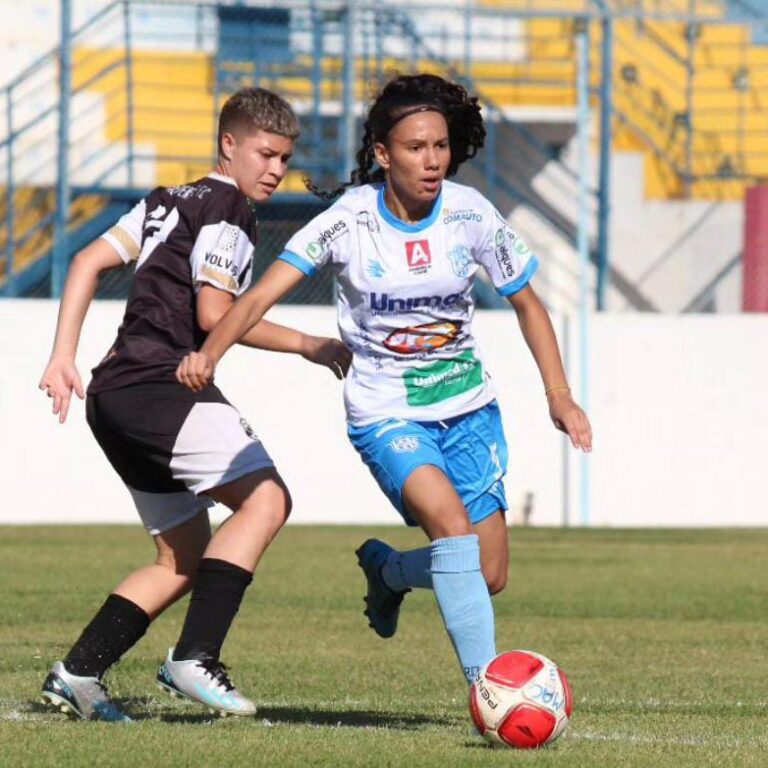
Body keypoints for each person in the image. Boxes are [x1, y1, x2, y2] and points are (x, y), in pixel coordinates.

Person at [175, 74, 592, 691]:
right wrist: (210, 351)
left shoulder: (471, 213)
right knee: (452, 533)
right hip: (387, 414)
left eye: (441, 146)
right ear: (382, 154)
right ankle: (490, 691)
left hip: (469, 410)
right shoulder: (349, 222)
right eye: (416, 148)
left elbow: (529, 305)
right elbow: (259, 294)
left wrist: (559, 394)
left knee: (489, 571)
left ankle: (392, 571)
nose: (432, 161)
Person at [38, 87, 351, 722]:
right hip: (160, 385)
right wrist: (307, 344)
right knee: (268, 499)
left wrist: (62, 354)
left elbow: (85, 261)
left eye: (285, 159)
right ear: (228, 144)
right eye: (265, 153)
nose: (275, 170)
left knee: (181, 554)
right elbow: (216, 315)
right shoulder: (229, 205)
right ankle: (194, 657)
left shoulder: (164, 201)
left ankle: (78, 672)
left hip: (112, 393)